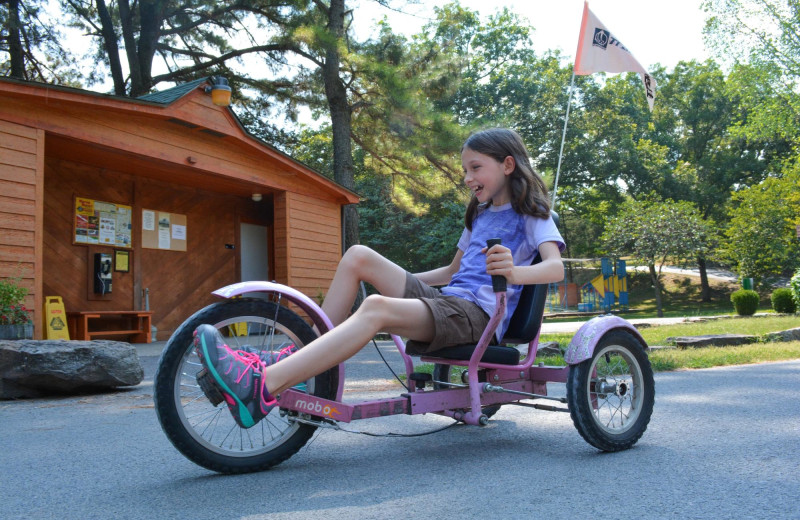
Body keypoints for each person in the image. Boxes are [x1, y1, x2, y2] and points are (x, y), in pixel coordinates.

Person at [194, 127, 565, 429]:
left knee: (376, 309)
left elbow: (555, 268)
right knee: (359, 257)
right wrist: (394, 280)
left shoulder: (531, 214)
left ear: (508, 165)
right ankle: (298, 356)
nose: (467, 178)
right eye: (465, 170)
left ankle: (262, 387)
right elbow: (452, 272)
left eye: (475, 168)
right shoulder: (480, 216)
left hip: (478, 316)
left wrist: (514, 271)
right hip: (449, 300)